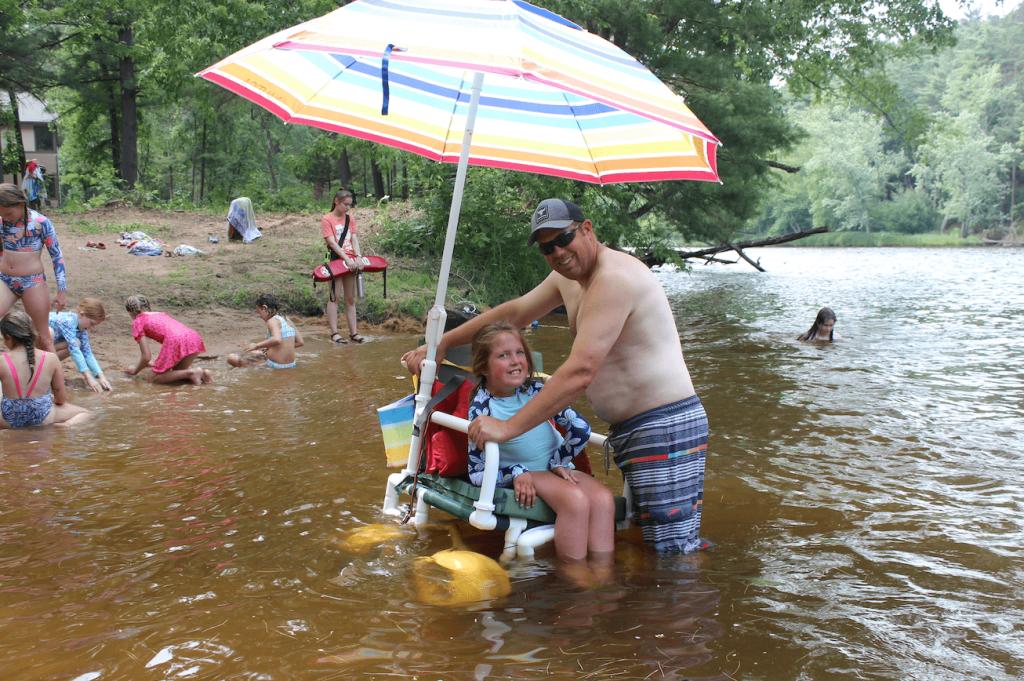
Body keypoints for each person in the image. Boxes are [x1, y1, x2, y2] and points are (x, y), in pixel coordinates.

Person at [403, 198, 712, 554]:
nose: (558, 252)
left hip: (663, 427)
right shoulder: (570, 279)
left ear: (587, 229)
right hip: (633, 429)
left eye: (563, 239)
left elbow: (580, 372)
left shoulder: (613, 280)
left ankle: (687, 606)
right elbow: (515, 312)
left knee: (674, 550)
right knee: (653, 542)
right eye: (547, 248)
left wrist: (507, 427)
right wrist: (443, 342)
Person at [468, 321, 615, 574]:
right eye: (503, 355)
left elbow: (579, 428)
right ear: (483, 367)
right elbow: (477, 473)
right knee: (576, 502)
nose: (515, 361)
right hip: (528, 473)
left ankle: (603, 573)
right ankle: (575, 578)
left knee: (603, 499)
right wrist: (516, 472)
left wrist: (559, 461)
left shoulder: (536, 390)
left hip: (555, 468)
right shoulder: (481, 409)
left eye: (519, 353)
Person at [0, 183, 67, 353]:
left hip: (33, 282)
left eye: (8, 213)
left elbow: (56, 256)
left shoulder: (41, 223)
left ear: (21, 205)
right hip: (5, 280)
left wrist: (61, 290)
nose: (5, 218)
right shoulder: (1, 222)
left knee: (42, 336)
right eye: (1, 214)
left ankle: (54, 377)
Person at [1, 310, 90, 429]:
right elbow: (61, 399)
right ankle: (65, 426)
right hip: (42, 417)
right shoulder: (51, 358)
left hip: (8, 419)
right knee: (85, 414)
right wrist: (49, 399)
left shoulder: (2, 360)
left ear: (8, 337)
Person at [124, 295, 212, 385]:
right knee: (176, 375)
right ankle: (203, 376)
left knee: (152, 378)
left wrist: (135, 371)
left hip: (175, 340)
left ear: (131, 313)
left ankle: (193, 372)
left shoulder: (138, 321)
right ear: (147, 306)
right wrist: (149, 364)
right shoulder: (160, 314)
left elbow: (146, 357)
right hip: (193, 337)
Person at [321, 188, 365, 344]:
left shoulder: (350, 219)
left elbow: (354, 239)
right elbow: (332, 243)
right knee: (335, 296)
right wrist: (346, 259)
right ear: (336, 202)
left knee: (351, 298)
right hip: (336, 260)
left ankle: (354, 333)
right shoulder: (327, 219)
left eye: (349, 205)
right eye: (345, 204)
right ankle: (334, 333)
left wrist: (358, 257)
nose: (347, 207)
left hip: (351, 260)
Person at [49, 298, 112, 393]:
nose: (91, 328)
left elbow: (88, 353)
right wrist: (88, 377)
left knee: (78, 343)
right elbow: (75, 351)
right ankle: (44, 362)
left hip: (47, 346)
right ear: (81, 315)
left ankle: (48, 362)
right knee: (75, 345)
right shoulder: (68, 321)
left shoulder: (81, 327)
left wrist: (101, 376)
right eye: (91, 323)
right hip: (32, 344)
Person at [227, 293, 305, 369]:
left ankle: (247, 364)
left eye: (259, 312)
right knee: (258, 354)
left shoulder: (272, 320)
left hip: (275, 366)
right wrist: (272, 348)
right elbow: (300, 342)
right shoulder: (288, 320)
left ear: (264, 308)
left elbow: (277, 339)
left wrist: (256, 345)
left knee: (231, 358)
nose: (260, 316)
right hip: (291, 365)